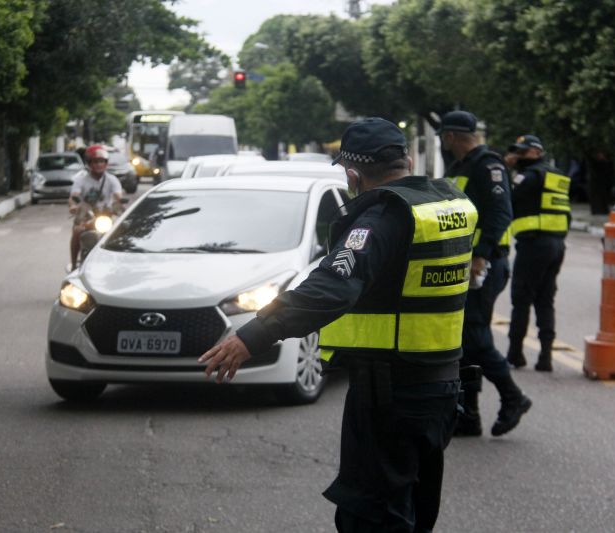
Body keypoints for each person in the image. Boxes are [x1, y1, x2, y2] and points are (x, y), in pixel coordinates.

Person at [199, 117, 477, 532]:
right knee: (415, 511)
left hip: (391, 395)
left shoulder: (384, 217)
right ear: (405, 158)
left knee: (369, 516)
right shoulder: (445, 205)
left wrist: (253, 335)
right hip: (439, 387)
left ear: (352, 173)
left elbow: (331, 287)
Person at [438, 110, 532, 437]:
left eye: (442, 136)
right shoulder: (461, 167)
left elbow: (501, 213)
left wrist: (480, 255)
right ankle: (469, 414)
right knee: (464, 340)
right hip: (463, 263)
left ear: (450, 136)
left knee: (473, 336)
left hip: (485, 264)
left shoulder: (487, 165)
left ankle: (513, 397)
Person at [505, 135, 570, 371]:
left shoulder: (529, 176)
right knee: (545, 300)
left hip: (534, 245)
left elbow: (508, 199)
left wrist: (506, 169)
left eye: (523, 152)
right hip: (556, 245)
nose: (519, 156)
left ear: (536, 152)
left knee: (521, 299)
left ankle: (515, 354)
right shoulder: (558, 174)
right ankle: (545, 358)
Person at [68, 144, 123, 270]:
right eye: (95, 161)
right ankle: (73, 265)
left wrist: (120, 203)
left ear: (106, 163)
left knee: (123, 232)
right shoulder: (80, 180)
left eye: (101, 161)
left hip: (107, 215)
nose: (99, 164)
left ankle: (121, 263)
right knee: (77, 231)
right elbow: (73, 196)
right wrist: (73, 206)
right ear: (89, 163)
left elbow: (118, 196)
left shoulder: (112, 179)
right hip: (87, 216)